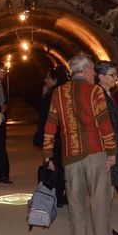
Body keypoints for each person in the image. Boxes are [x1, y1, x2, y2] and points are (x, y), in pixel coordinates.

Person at [43, 54, 118, 235]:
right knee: (100, 202)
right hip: (96, 152)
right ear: (87, 70)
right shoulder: (94, 91)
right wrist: (112, 152)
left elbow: (50, 124)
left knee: (75, 204)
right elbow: (104, 123)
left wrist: (48, 154)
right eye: (92, 71)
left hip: (70, 156)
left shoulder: (58, 93)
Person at [95, 60, 118, 235]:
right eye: (112, 75)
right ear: (101, 77)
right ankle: (104, 233)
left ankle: (107, 226)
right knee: (104, 194)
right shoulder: (98, 95)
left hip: (113, 147)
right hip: (105, 151)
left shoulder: (107, 93)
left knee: (109, 193)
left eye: (116, 74)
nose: (116, 78)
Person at [35, 65, 70, 207]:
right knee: (65, 166)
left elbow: (45, 119)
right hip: (66, 136)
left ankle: (56, 196)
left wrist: (41, 137)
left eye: (48, 78)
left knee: (54, 166)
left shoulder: (52, 96)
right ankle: (67, 195)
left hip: (54, 136)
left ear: (54, 80)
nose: (45, 80)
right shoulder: (66, 93)